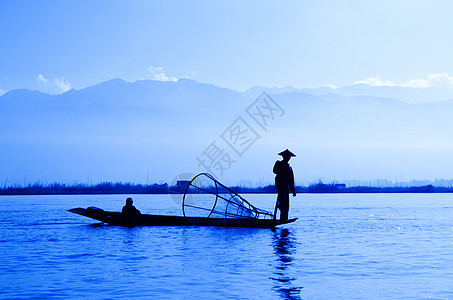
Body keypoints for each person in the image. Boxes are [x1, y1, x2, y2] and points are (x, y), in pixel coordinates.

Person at [273, 149, 296, 221]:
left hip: (285, 186)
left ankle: (284, 218)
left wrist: (293, 190)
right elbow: (275, 171)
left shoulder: (289, 167)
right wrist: (281, 166)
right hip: (280, 185)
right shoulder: (279, 163)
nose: (288, 158)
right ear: (283, 157)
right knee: (282, 201)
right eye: (286, 157)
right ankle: (282, 216)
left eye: (289, 157)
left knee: (286, 203)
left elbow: (291, 180)